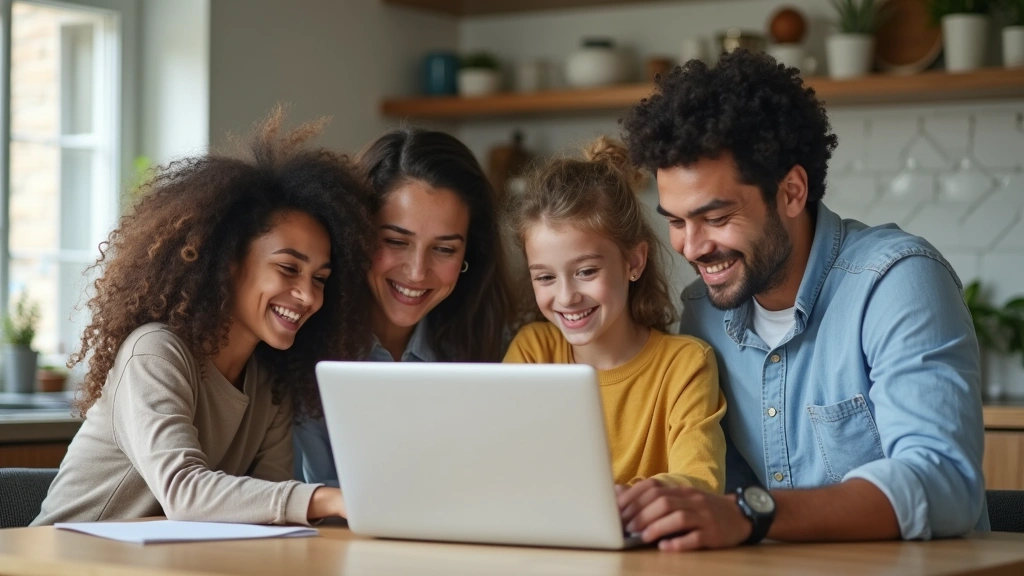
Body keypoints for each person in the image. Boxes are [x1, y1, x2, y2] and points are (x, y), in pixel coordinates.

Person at [615, 50, 988, 551]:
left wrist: (750, 514)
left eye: (717, 217)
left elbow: (945, 484)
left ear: (791, 192)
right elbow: (717, 486)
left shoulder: (896, 282)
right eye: (677, 221)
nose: (691, 247)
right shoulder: (703, 313)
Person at [32, 109, 372, 526]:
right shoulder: (154, 353)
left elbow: (268, 513)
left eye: (320, 278)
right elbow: (184, 492)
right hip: (62, 563)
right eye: (287, 268)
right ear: (228, 261)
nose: (307, 295)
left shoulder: (270, 384)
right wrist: (330, 499)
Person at [293, 127, 517, 488]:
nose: (416, 272)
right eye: (396, 241)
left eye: (444, 249)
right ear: (355, 233)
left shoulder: (496, 346)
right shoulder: (296, 333)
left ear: (468, 254)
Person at [502, 136, 726, 493]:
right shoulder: (533, 352)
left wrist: (608, 499)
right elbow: (505, 465)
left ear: (633, 262)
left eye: (586, 271)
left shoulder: (685, 365)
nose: (566, 296)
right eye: (545, 277)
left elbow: (701, 482)